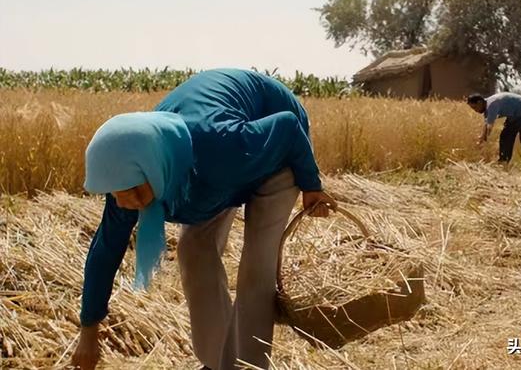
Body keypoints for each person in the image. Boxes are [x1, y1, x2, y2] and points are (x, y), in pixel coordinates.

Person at [71, 68, 337, 370]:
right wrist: (88, 331)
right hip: (210, 172)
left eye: (130, 191)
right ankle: (217, 362)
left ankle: (247, 366)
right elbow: (105, 251)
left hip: (274, 149)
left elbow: (287, 128)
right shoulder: (129, 173)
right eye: (116, 193)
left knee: (256, 269)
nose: (124, 202)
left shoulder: (222, 148)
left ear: (153, 168)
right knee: (193, 250)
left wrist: (311, 186)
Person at [467, 92, 521, 163]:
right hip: (513, 115)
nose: (475, 110)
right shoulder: (487, 107)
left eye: (475, 107)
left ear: (479, 102)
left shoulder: (492, 105)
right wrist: (482, 139)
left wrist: (482, 141)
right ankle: (504, 161)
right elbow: (486, 125)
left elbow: (489, 127)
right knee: (505, 136)